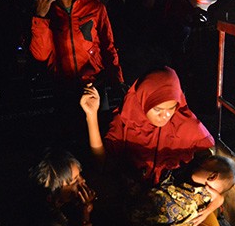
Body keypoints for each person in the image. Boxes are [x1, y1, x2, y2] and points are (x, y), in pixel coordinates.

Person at [80, 66, 215, 187]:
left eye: (172, 108)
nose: (165, 116)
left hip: (169, 189)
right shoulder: (125, 120)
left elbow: (208, 156)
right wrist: (91, 115)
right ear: (143, 102)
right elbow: (102, 163)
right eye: (158, 109)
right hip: (130, 190)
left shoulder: (184, 122)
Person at [29, 0, 124, 88]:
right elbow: (41, 55)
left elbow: (108, 45)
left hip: (95, 81)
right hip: (61, 84)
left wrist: (117, 78)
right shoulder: (46, 12)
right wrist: (40, 18)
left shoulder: (95, 8)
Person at [130, 154, 235, 226]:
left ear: (212, 176)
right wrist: (218, 201)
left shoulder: (176, 204)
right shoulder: (207, 195)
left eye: (201, 164)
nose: (198, 164)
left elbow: (135, 206)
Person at [29, 148, 97, 226]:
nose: (83, 180)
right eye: (75, 181)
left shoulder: (68, 206)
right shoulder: (50, 225)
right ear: (54, 197)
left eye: (80, 175)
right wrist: (85, 216)